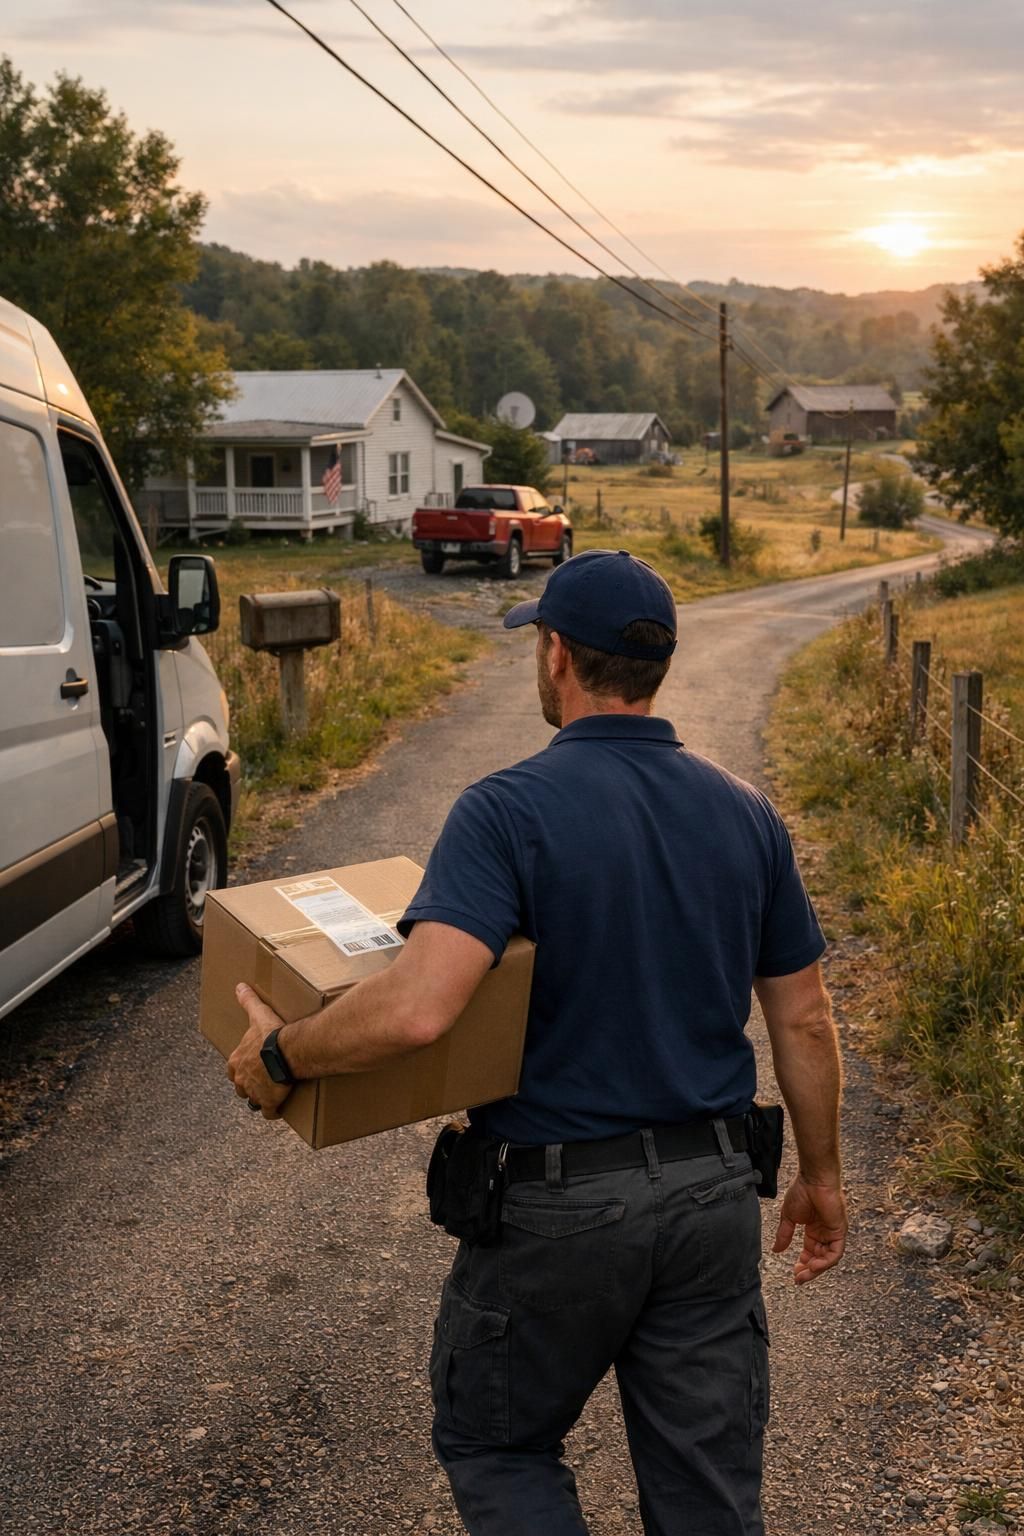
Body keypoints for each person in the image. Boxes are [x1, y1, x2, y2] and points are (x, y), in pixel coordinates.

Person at [228, 548, 848, 1536]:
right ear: (657, 665)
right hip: (714, 1196)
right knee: (707, 1493)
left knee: (499, 1445)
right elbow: (804, 1017)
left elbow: (420, 1007)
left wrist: (279, 1056)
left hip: (561, 1203)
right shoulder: (747, 814)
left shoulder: (505, 810)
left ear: (557, 654)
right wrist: (820, 1174)